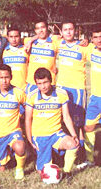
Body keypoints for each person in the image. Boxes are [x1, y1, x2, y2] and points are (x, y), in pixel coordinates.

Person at [25, 67, 79, 176]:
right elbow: (28, 119)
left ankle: (67, 173)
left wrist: (74, 134)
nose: (43, 86)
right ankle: (45, 159)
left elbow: (66, 117)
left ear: (51, 80)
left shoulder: (61, 93)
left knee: (73, 144)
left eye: (45, 82)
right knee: (42, 172)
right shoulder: (32, 96)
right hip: (40, 136)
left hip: (56, 134)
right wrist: (30, 139)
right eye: (39, 83)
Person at [56, 21, 88, 164]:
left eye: (71, 29)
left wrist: (86, 40)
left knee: (78, 123)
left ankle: (80, 154)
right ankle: (65, 150)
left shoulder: (83, 47)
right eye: (65, 29)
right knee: (62, 119)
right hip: (61, 88)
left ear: (75, 31)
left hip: (77, 89)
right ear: (61, 32)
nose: (68, 32)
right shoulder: (58, 43)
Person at [24, 20, 59, 93]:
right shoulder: (28, 41)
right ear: (35, 30)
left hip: (49, 83)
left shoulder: (55, 41)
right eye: (38, 28)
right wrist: (31, 41)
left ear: (47, 28)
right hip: (32, 83)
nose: (41, 30)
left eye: (43, 27)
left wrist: (85, 40)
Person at [84, 25, 101, 166]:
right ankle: (89, 160)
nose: (99, 40)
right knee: (89, 127)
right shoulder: (91, 50)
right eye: (95, 37)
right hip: (95, 98)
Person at [2, 26, 29, 91]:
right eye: (11, 37)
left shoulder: (26, 50)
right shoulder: (4, 51)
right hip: (9, 88)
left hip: (24, 88)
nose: (14, 39)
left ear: (20, 37)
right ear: (7, 38)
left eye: (16, 36)